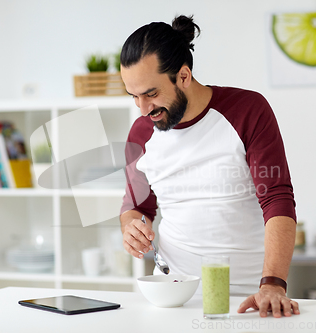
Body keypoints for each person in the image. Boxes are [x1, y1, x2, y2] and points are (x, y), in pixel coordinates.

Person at [119, 14, 300, 318]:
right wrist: (131, 227)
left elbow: (277, 199)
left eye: (151, 94)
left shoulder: (248, 111)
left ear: (184, 76)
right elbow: (137, 207)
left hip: (249, 298)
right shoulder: (141, 132)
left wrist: (272, 284)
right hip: (172, 297)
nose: (143, 109)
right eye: (134, 96)